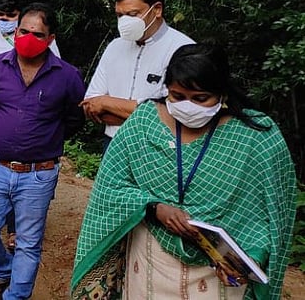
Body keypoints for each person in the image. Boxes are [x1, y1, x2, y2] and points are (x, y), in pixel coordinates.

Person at [72, 44, 296, 300]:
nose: (187, 106)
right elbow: (110, 188)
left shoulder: (255, 138)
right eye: (177, 96)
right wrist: (154, 207)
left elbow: (268, 215)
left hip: (218, 277)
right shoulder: (144, 123)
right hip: (149, 265)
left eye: (200, 98)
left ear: (222, 93)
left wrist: (248, 260)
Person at [0, 3, 85, 300]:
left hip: (39, 175)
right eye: (23, 31)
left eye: (38, 34)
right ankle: (5, 269)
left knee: (28, 243)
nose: (28, 38)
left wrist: (44, 140)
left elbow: (74, 119)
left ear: (50, 38)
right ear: (16, 31)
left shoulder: (68, 76)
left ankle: (16, 295)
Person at [81, 0, 194, 151]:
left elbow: (175, 112)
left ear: (157, 10)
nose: (124, 21)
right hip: (114, 144)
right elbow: (90, 105)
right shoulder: (115, 47)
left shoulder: (183, 50)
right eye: (120, 15)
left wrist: (105, 102)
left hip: (158, 147)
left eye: (132, 14)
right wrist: (145, 113)